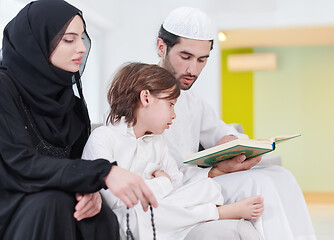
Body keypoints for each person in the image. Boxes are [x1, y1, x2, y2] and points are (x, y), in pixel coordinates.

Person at [156, 6, 317, 240]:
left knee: (282, 176)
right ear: (162, 47)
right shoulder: (144, 95)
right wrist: (215, 171)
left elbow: (224, 132)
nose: (193, 69)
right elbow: (166, 175)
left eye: (202, 60)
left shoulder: (192, 99)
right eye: (186, 57)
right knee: (260, 184)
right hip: (181, 190)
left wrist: (235, 143)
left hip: (200, 180)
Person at [0, 1, 157, 240]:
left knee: (95, 212)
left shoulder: (71, 106)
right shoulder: (4, 88)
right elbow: (20, 164)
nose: (82, 48)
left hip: (54, 199)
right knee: (53, 204)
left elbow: (77, 165)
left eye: (82, 38)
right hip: (11, 201)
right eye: (69, 39)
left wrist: (89, 191)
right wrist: (102, 174)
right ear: (37, 43)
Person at [82, 62, 265, 239]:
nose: (174, 114)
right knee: (142, 212)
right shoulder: (103, 138)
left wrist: (165, 185)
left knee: (208, 188)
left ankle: (190, 217)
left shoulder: (156, 141)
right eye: (170, 104)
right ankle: (218, 212)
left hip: (162, 209)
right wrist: (162, 183)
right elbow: (117, 201)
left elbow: (177, 182)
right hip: (126, 220)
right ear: (146, 98)